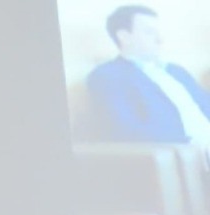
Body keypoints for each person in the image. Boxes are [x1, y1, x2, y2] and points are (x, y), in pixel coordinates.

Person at [87, 6, 210, 144]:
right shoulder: (108, 76)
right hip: (186, 149)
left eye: (159, 32)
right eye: (150, 32)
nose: (160, 39)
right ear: (124, 37)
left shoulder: (176, 71)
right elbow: (127, 131)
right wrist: (191, 144)